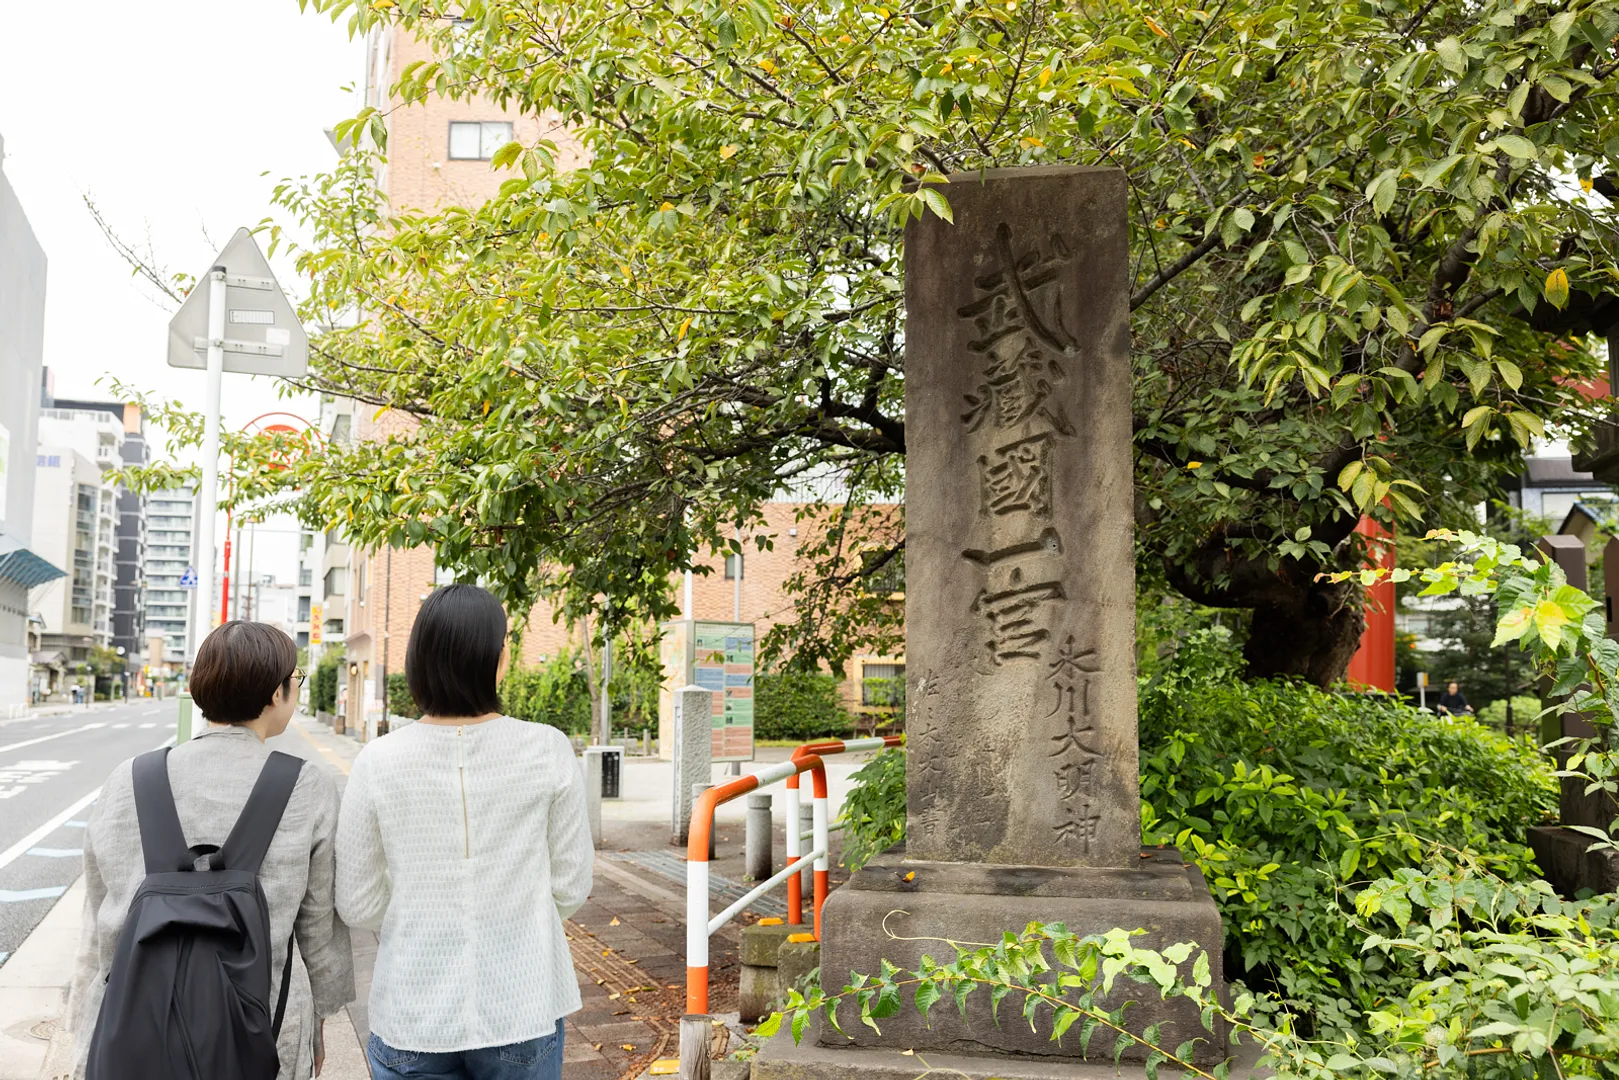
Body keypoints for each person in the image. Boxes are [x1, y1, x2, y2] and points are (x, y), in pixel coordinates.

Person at [70, 622, 354, 1079]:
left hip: (133, 1027)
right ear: (275, 693)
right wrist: (321, 1016)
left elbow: (101, 918)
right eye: (295, 681)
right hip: (265, 1029)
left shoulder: (128, 780)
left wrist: (84, 1023)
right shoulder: (306, 787)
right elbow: (318, 929)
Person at [336, 584, 593, 1080]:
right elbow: (569, 886)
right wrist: (517, 916)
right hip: (523, 1002)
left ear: (418, 661)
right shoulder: (547, 749)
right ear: (497, 659)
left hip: (412, 1008)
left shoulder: (379, 761)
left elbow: (357, 901)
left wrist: (419, 913)